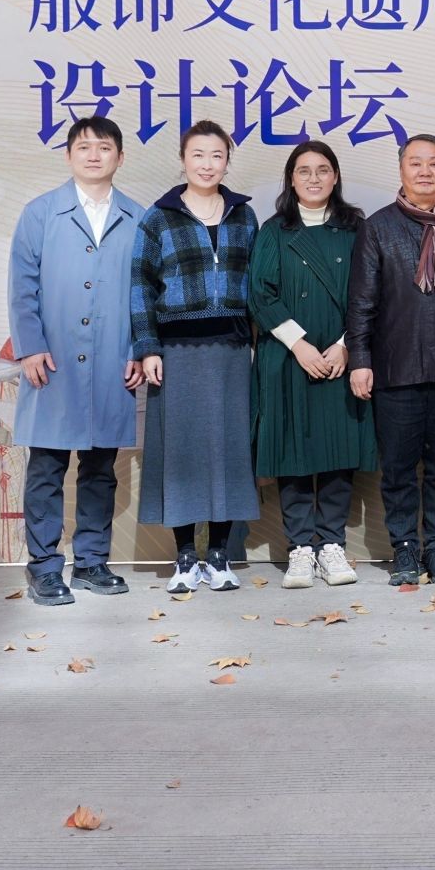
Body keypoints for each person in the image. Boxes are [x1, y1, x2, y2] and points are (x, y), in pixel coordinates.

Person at [6, 115, 146, 606]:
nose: (93, 155)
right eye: (83, 147)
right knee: (46, 467)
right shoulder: (41, 213)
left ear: (120, 158)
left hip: (112, 361)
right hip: (54, 360)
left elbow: (145, 293)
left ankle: (91, 562)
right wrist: (29, 346)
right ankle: (44, 567)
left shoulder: (137, 218)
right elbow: (22, 285)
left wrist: (139, 349)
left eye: (104, 147)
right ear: (68, 156)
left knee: (100, 468)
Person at [130, 119, 260, 595]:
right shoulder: (158, 218)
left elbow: (257, 285)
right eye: (198, 155)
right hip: (176, 352)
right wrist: (148, 347)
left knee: (229, 448)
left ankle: (219, 554)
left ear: (228, 161)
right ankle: (185, 555)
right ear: (183, 159)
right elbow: (140, 286)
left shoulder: (244, 216)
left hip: (232, 351)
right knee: (180, 450)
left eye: (217, 155)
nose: (207, 164)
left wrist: (256, 342)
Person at [249, 140, 375, 589]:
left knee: (338, 451)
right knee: (293, 452)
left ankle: (332, 544)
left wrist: (346, 345)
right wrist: (298, 344)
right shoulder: (274, 230)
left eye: (323, 169)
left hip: (341, 355)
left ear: (336, 176)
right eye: (304, 171)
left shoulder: (355, 228)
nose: (314, 178)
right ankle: (300, 547)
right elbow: (260, 293)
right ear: (291, 178)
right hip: (288, 357)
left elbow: (369, 292)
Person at [346, 134, 435, 587]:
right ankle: (404, 548)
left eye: (434, 163)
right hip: (395, 367)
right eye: (415, 163)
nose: (424, 171)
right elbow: (361, 301)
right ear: (401, 170)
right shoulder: (377, 226)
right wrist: (360, 359)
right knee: (398, 467)